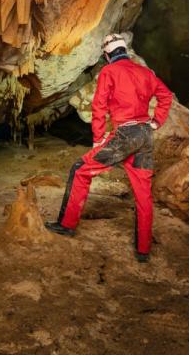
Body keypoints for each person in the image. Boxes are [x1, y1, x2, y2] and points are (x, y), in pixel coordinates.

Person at [45, 34, 173, 262]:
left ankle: (67, 224)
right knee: (143, 194)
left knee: (80, 169)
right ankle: (143, 251)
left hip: (124, 134)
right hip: (145, 134)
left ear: (107, 55)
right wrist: (156, 121)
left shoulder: (109, 72)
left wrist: (97, 138)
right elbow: (165, 96)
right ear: (125, 50)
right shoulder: (145, 73)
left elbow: (99, 105)